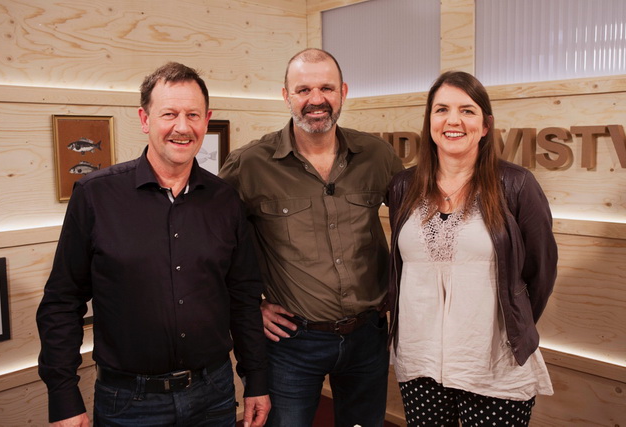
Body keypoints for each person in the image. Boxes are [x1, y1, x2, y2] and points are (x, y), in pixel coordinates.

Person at [36, 62, 270, 427]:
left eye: (193, 114)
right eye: (169, 114)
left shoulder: (226, 200)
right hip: (129, 402)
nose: (182, 126)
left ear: (206, 120)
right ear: (145, 119)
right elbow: (62, 300)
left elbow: (243, 297)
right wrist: (63, 396)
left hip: (214, 394)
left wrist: (256, 378)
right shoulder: (96, 195)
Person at [219, 48, 404, 427]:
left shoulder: (378, 155)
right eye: (303, 89)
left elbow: (416, 223)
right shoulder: (249, 164)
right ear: (285, 96)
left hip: (368, 336)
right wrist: (249, 307)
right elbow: (212, 245)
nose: (316, 99)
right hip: (291, 342)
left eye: (326, 88)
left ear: (343, 92)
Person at [387, 70, 557, 426]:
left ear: (485, 125)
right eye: (442, 109)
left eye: (467, 110)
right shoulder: (404, 186)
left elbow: (540, 272)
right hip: (420, 362)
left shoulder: (516, 185)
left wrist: (513, 323)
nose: (453, 120)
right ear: (429, 121)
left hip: (493, 364)